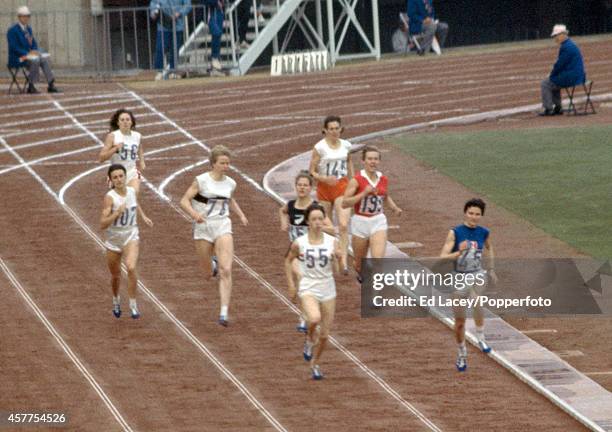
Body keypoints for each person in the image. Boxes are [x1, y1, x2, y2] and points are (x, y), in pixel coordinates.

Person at [180, 145, 248, 326]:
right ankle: (212, 265)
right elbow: (184, 200)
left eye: (228, 163)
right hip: (203, 228)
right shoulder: (201, 181)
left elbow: (230, 199)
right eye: (222, 163)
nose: (226, 166)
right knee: (207, 274)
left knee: (227, 270)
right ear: (213, 164)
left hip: (223, 225)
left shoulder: (231, 183)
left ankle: (224, 312)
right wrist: (194, 215)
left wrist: (240, 215)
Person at [439, 198, 497, 372]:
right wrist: (459, 252)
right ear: (465, 213)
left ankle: (481, 336)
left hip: (477, 274)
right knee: (460, 323)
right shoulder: (455, 232)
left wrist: (491, 268)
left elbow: (489, 247)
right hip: (458, 277)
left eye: (477, 214)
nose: (474, 217)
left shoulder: (484, 232)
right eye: (471, 213)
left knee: (476, 299)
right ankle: (462, 352)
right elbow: (442, 257)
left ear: (481, 216)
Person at [286, 203, 341, 380]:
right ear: (308, 222)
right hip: (309, 285)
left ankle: (315, 363)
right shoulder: (299, 243)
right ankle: (309, 339)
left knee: (325, 335)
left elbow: (338, 271)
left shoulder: (332, 242)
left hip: (327, 286)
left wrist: (337, 260)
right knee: (314, 318)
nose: (318, 222)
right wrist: (292, 283)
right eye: (314, 219)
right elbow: (288, 260)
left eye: (320, 219)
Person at [279, 171, 334, 332]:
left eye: (305, 185)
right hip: (296, 253)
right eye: (299, 185)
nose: (302, 188)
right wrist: (283, 224)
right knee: (301, 279)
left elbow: (331, 228)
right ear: (296, 187)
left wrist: (318, 226)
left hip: (313, 254)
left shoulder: (315, 208)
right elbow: (282, 211)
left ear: (311, 188)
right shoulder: (290, 205)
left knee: (305, 282)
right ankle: (304, 315)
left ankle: (304, 317)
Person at [342, 146, 402, 282]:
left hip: (378, 221)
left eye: (375, 159)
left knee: (377, 261)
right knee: (359, 264)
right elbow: (345, 203)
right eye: (370, 159)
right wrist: (363, 193)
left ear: (379, 161)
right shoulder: (356, 180)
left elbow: (385, 196)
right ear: (364, 161)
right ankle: (359, 270)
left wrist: (394, 208)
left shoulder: (383, 179)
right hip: (360, 222)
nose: (373, 161)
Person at [101, 164, 153, 319]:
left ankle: (133, 304)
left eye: (121, 176)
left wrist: (143, 217)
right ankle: (116, 300)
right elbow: (102, 223)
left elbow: (135, 203)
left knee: (130, 267)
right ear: (110, 180)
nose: (119, 179)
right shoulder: (110, 198)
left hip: (131, 235)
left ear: (125, 176)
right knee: (116, 275)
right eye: (115, 177)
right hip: (114, 239)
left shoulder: (131, 191)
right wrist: (117, 213)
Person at [309, 115, 353, 274]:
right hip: (324, 188)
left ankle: (344, 262)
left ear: (341, 129)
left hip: (342, 186)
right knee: (326, 227)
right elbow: (311, 171)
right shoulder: (319, 148)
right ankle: (329, 258)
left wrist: (353, 182)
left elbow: (349, 162)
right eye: (331, 129)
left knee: (342, 224)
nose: (335, 132)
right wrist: (324, 178)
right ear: (325, 130)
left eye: (337, 128)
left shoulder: (346, 145)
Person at [7, 6, 60, 94]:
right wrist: (28, 53)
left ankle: (51, 84)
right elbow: (13, 47)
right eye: (24, 16)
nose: (26, 18)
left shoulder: (28, 29)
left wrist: (35, 50)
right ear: (19, 17)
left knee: (43, 58)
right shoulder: (12, 30)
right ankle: (31, 85)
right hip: (18, 58)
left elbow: (33, 43)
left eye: (28, 16)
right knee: (35, 59)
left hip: (28, 56)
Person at [539, 24, 586, 116]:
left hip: (572, 77)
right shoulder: (570, 44)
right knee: (554, 81)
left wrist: (551, 74)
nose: (555, 38)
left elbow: (560, 65)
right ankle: (558, 107)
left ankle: (548, 108)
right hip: (578, 75)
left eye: (556, 36)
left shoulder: (566, 47)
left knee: (545, 83)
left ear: (562, 35)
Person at [99, 109, 145, 195]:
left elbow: (139, 147)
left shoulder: (137, 136)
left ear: (131, 122)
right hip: (117, 174)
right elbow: (101, 158)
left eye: (128, 120)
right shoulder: (113, 136)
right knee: (121, 199)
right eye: (122, 120)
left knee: (133, 194)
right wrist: (115, 148)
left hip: (132, 171)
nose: (125, 122)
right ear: (118, 122)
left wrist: (142, 161)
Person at [150, 0, 192, 80]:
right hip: (163, 25)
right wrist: (153, 12)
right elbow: (154, 3)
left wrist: (179, 13)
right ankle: (159, 71)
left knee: (175, 49)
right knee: (160, 48)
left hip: (178, 25)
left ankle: (173, 70)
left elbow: (188, 5)